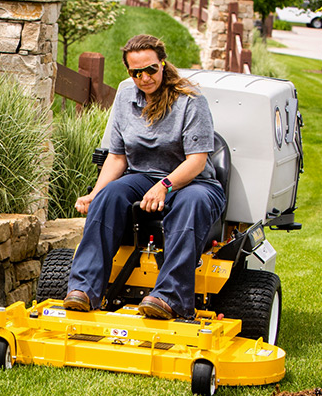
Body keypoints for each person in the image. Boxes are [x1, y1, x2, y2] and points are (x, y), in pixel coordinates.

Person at [62, 34, 226, 319]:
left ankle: (168, 297)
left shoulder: (190, 101)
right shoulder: (126, 98)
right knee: (109, 196)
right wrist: (94, 194)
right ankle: (84, 290)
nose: (145, 77)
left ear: (162, 63)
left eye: (150, 69)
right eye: (136, 72)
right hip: (141, 176)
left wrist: (165, 185)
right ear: (129, 72)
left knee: (191, 202)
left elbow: (197, 161)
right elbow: (117, 157)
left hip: (194, 182)